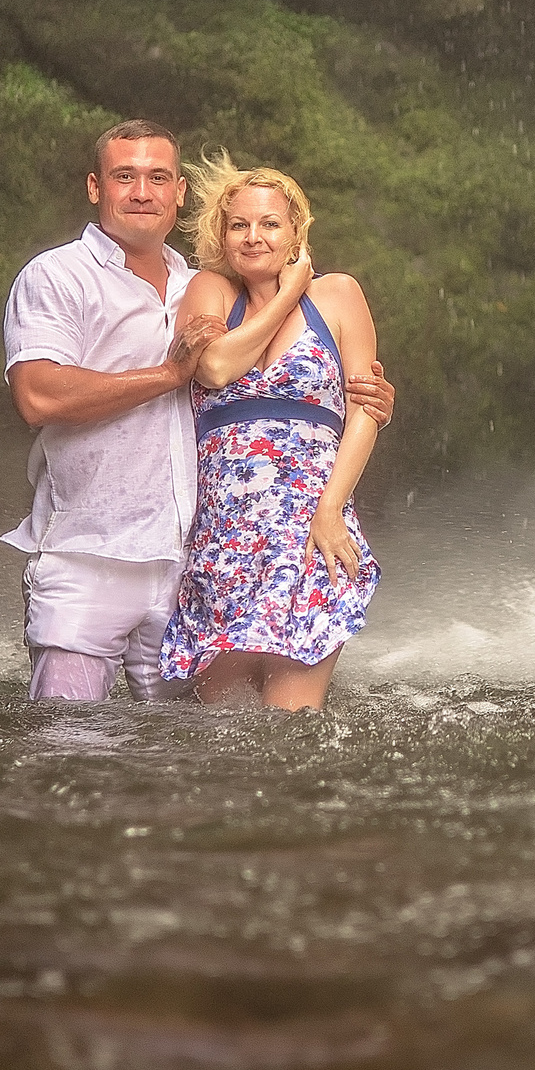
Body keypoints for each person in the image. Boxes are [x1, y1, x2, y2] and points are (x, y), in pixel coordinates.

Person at [1, 121, 392, 703]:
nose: (141, 191)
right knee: (69, 736)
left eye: (157, 177)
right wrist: (169, 374)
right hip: (99, 552)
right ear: (94, 186)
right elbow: (38, 396)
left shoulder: (193, 284)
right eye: (124, 176)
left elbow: (359, 397)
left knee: (195, 749)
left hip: (186, 552)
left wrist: (369, 410)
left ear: (178, 193)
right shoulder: (62, 276)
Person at [158, 155, 382, 710]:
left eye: (270, 224)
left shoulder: (338, 295)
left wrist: (331, 510)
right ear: (221, 234)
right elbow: (213, 369)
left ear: (295, 232)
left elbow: (365, 411)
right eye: (240, 225)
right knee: (223, 728)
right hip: (226, 531)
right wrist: (287, 292)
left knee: (291, 723)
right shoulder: (210, 291)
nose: (254, 237)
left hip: (312, 526)